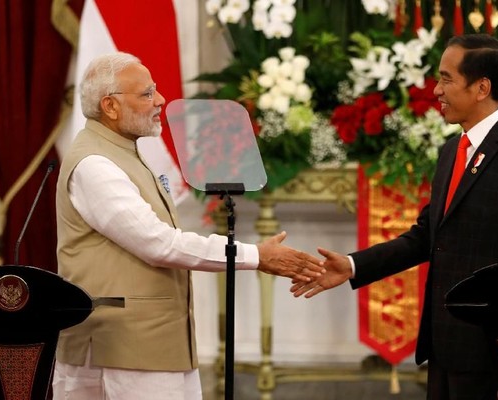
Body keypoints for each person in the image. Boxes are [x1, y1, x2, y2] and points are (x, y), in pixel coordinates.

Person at [292, 34, 498, 399]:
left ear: (482, 87)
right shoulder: (451, 151)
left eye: (446, 79)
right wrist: (352, 266)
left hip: (487, 353)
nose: (436, 90)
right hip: (443, 344)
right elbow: (426, 237)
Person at [52, 52, 324, 400]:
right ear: (110, 106)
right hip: (121, 346)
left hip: (154, 343)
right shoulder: (95, 165)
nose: (161, 100)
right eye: (147, 93)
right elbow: (158, 244)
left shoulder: (123, 151)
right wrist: (255, 256)